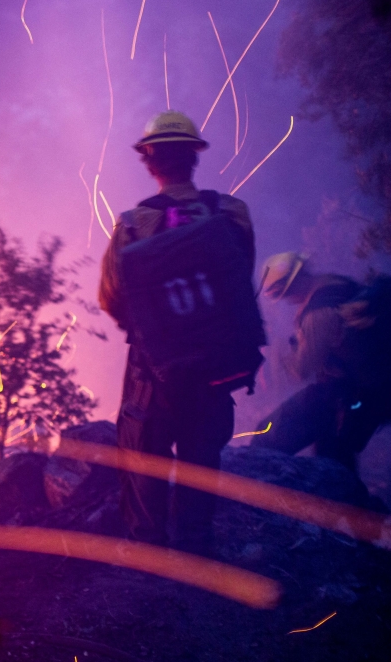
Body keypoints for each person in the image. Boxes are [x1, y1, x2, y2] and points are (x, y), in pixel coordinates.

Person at [99, 111, 260, 555]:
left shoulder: (133, 225)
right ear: (194, 158)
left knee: (142, 455)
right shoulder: (231, 214)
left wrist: (154, 329)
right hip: (216, 363)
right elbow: (238, 277)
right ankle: (194, 547)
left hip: (152, 372)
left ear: (148, 162)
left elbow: (111, 296)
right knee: (201, 456)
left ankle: (148, 554)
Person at [251, 253, 391, 472]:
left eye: (281, 293)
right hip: (381, 392)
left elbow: (301, 369)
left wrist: (282, 355)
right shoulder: (337, 283)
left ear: (291, 285)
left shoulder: (318, 313)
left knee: (268, 437)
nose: (285, 299)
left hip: (347, 395)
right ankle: (346, 500)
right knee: (333, 455)